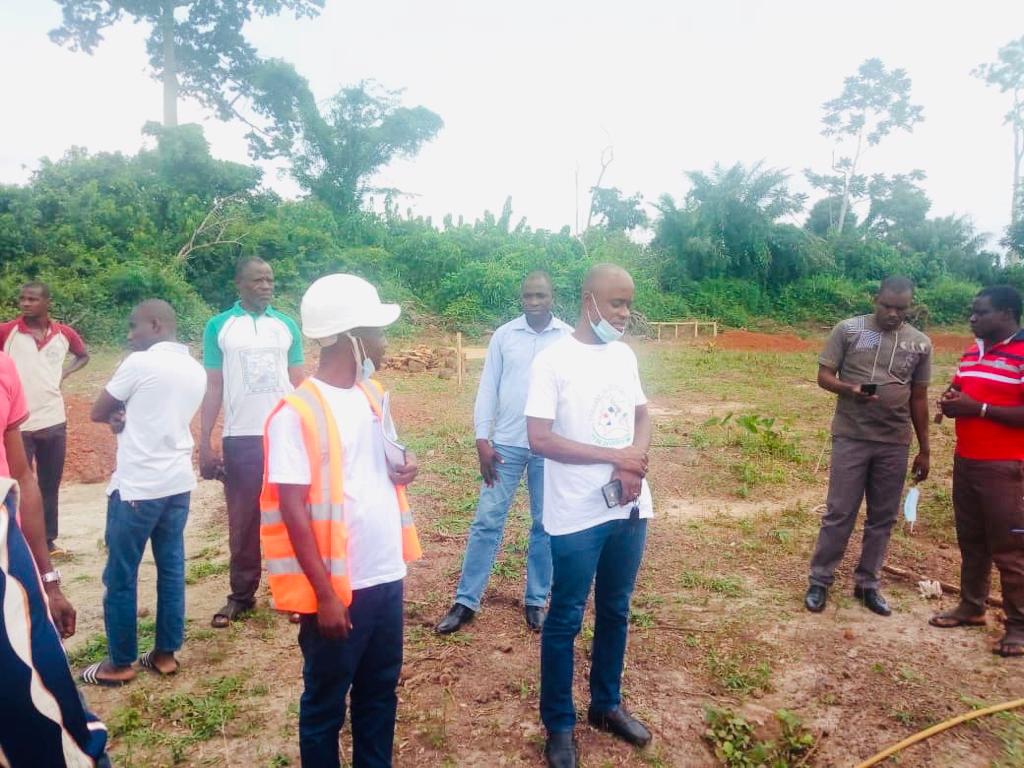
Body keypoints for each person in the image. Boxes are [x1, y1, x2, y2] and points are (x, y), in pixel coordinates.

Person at [261, 273, 422, 767]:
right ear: (351, 337)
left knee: (379, 693)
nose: (384, 343)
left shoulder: (372, 395)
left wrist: (407, 463)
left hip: (385, 574)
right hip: (338, 590)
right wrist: (325, 595)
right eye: (377, 332)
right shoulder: (296, 412)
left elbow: (385, 460)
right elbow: (292, 508)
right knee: (325, 705)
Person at [525, 263, 654, 768]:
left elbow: (642, 415)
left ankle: (606, 704)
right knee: (566, 616)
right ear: (589, 301)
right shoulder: (553, 361)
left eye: (628, 304)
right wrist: (615, 457)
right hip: (577, 513)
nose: (624, 314)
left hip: (630, 503)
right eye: (617, 303)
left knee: (616, 608)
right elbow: (540, 438)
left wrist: (633, 461)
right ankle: (559, 725)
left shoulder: (624, 356)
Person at [436, 272, 571, 635]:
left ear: (553, 297)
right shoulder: (504, 335)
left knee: (545, 524)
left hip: (549, 445)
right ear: (520, 297)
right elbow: (487, 388)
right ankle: (466, 601)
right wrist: (483, 438)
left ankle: (536, 599)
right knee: (486, 520)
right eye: (528, 295)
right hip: (506, 445)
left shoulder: (568, 338)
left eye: (540, 295)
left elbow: (574, 396)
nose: (534, 302)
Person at [82, 300, 206, 686]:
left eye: (134, 326)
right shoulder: (194, 368)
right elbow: (154, 413)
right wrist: (123, 416)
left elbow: (98, 410)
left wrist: (116, 415)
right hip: (178, 483)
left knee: (121, 574)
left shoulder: (139, 363)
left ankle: (120, 663)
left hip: (139, 486)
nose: (130, 334)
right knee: (171, 569)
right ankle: (165, 654)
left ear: (155, 325)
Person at [0, 349, 109, 766]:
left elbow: (21, 477)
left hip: (10, 571)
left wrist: (49, 581)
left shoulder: (4, 366)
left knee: (47, 710)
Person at [805, 277, 932, 617]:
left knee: (883, 517)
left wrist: (925, 449)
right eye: (887, 305)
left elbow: (919, 397)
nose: (893, 313)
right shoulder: (850, 330)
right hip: (852, 436)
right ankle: (820, 580)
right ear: (876, 299)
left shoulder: (919, 343)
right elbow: (824, 376)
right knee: (839, 512)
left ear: (910, 307)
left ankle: (867, 584)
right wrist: (849, 389)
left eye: (901, 308)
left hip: (894, 442)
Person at [200, 256, 304, 628]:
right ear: (239, 284)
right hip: (240, 436)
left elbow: (298, 383)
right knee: (243, 519)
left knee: (291, 513)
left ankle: (294, 594)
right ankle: (241, 596)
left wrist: (311, 430)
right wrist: (205, 441)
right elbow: (214, 386)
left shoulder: (286, 326)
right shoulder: (220, 327)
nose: (266, 286)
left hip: (284, 434)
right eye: (258, 280)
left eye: (270, 280)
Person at [931, 285, 1024, 658]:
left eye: (981, 312)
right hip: (967, 460)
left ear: (1006, 314)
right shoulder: (972, 352)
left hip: (1008, 468)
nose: (972, 318)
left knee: (1011, 549)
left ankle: (1018, 626)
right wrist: (951, 399)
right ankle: (972, 606)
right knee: (972, 541)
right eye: (972, 311)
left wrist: (979, 409)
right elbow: (960, 388)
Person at [0, 281, 89, 555]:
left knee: (50, 485)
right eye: (23, 299)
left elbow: (83, 356)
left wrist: (64, 374)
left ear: (47, 302)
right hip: (17, 425)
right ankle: (19, 543)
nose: (26, 303)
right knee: (18, 485)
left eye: (33, 299)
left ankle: (48, 541)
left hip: (53, 419)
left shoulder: (64, 334)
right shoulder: (7, 332)